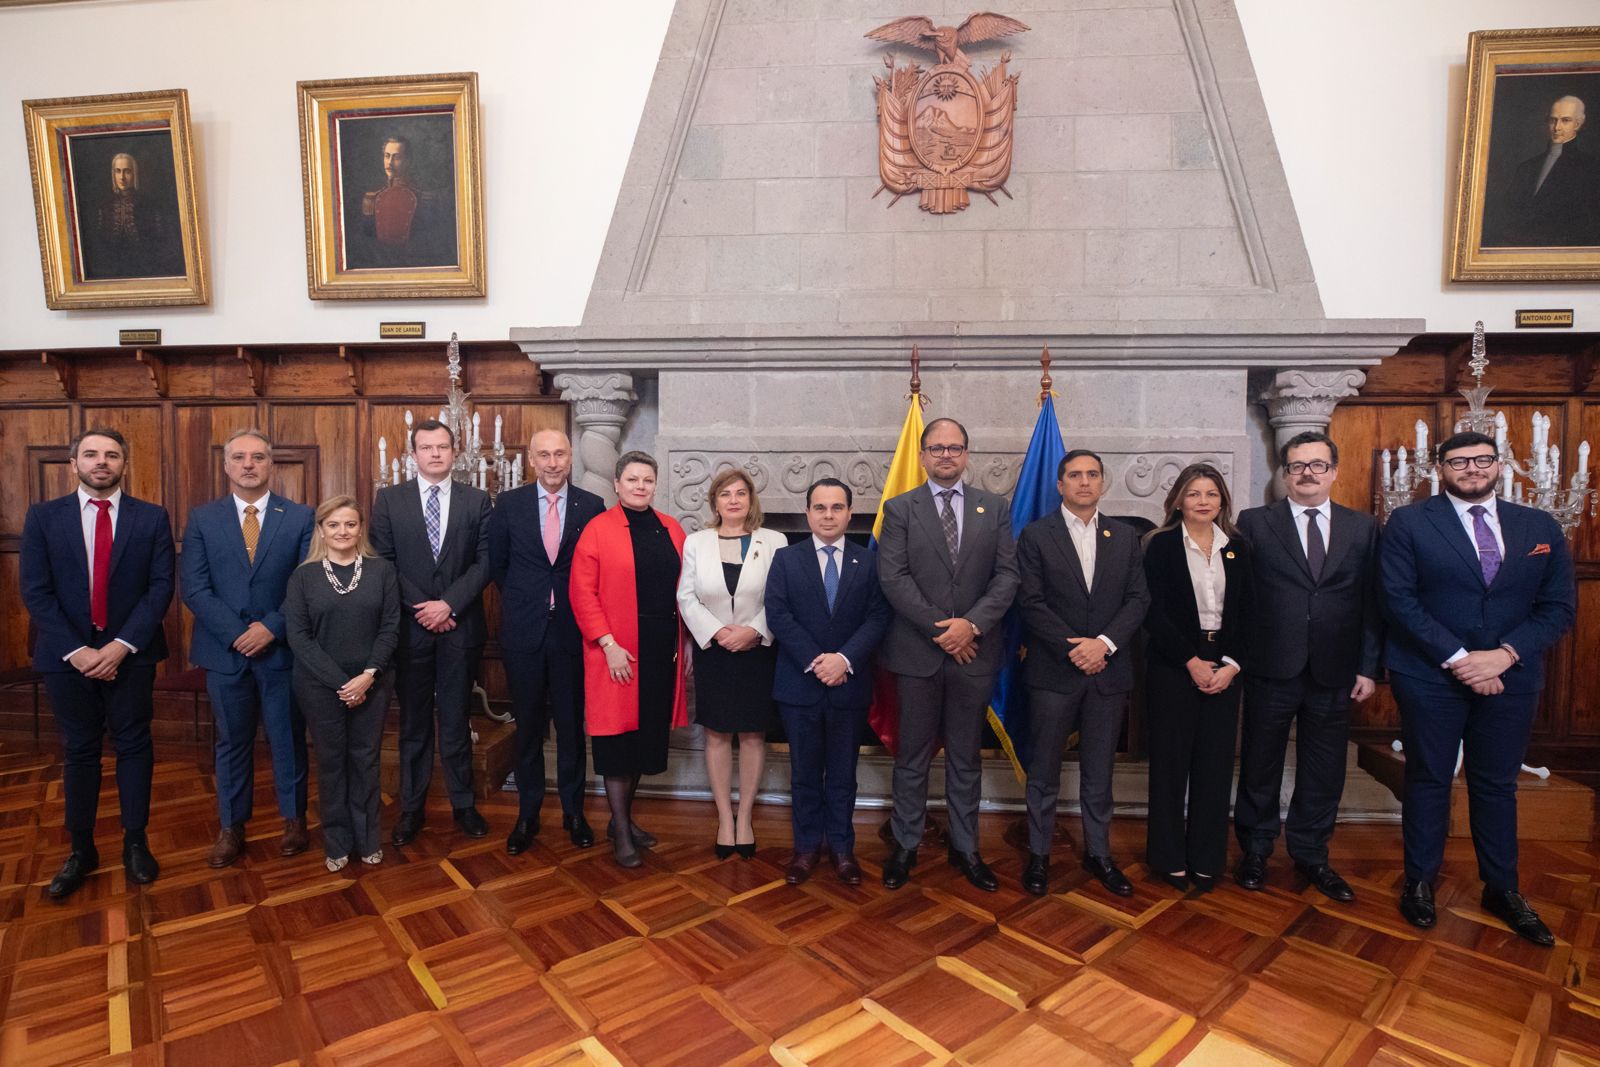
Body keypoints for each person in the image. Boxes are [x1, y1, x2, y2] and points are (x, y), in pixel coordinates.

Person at [1382, 431, 1576, 945]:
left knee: (1496, 784)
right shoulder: (1408, 522)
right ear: (1439, 468)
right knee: (1428, 778)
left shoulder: (1539, 526)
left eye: (1482, 459)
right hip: (1429, 674)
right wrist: (1462, 660)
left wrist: (1503, 656)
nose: (1472, 468)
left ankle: (1502, 889)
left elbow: (1559, 607)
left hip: (1512, 675)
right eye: (1459, 461)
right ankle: (1419, 883)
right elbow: (1398, 600)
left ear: (1500, 464)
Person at [21, 427, 175, 900]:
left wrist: (121, 645)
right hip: (66, 657)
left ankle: (135, 842)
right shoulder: (44, 517)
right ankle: (81, 850)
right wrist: (79, 651)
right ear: (74, 464)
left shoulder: (151, 517)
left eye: (111, 455)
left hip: (131, 655)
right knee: (80, 750)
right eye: (91, 454)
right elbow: (36, 591)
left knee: (134, 745)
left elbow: (160, 588)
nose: (101, 462)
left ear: (124, 464)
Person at [1232, 431, 1381, 902]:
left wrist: (1368, 667)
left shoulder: (1363, 527)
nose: (1307, 474)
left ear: (1334, 471)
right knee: (1260, 763)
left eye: (1318, 465)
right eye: (1297, 466)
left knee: (1324, 768)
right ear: (1284, 474)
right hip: (1270, 665)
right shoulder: (1254, 523)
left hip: (1336, 671)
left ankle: (1312, 854)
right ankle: (1255, 851)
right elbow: (1240, 598)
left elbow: (1373, 603)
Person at [877, 417, 1019, 892]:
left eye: (954, 447)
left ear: (966, 454)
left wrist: (970, 626)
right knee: (912, 757)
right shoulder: (900, 508)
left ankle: (966, 847)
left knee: (965, 758)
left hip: (974, 654)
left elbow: (1007, 576)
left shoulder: (994, 508)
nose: (945, 455)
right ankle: (905, 845)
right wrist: (945, 630)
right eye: (936, 448)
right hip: (917, 654)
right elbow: (893, 578)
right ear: (922, 456)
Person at [1014, 450, 1150, 897]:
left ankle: (1099, 853)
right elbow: (1030, 602)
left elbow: (1138, 599)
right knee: (1043, 770)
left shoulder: (1125, 536)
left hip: (1107, 672)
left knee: (1099, 771)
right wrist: (1075, 648)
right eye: (1075, 475)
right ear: (1060, 485)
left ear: (1102, 483)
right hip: (1054, 672)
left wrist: (1104, 644)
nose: (1085, 482)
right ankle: (1039, 854)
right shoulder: (1036, 535)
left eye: (1092, 474)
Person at [181, 429, 315, 868]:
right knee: (231, 742)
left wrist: (271, 628)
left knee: (287, 739)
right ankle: (231, 827)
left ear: (271, 464)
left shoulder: (299, 517)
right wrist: (238, 634)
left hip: (281, 651)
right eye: (239, 457)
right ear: (226, 466)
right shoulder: (203, 519)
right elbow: (194, 588)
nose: (248, 465)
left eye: (258, 457)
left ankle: (294, 820)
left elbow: (306, 583)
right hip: (225, 653)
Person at [371, 419, 493, 846]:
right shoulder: (390, 500)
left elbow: (485, 561)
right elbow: (383, 561)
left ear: (455, 452)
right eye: (427, 447)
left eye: (442, 446)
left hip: (460, 627)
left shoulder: (477, 500)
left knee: (457, 719)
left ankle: (464, 805)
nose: (435, 454)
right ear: (413, 454)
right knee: (414, 723)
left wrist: (449, 604)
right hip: (410, 630)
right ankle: (411, 808)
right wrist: (424, 608)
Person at [765, 479, 892, 884]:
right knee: (804, 773)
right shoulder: (786, 559)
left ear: (850, 514)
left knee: (842, 774)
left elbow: (878, 617)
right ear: (807, 513)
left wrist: (844, 660)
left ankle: (841, 848)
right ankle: (805, 849)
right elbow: (777, 614)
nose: (828, 515)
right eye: (820, 507)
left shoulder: (867, 561)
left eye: (837, 507)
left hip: (848, 685)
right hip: (799, 685)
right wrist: (816, 660)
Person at [487, 429, 606, 853]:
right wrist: (531, 601)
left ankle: (574, 813)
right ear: (532, 461)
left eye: (559, 454)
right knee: (528, 728)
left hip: (573, 632)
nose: (552, 463)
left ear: (571, 458)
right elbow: (498, 565)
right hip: (524, 632)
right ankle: (528, 814)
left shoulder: (592, 506)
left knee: (572, 727)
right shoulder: (509, 504)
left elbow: (597, 569)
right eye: (544, 455)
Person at [570, 451, 689, 868]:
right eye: (632, 479)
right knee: (617, 741)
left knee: (643, 738)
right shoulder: (598, 529)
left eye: (647, 480)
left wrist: (687, 644)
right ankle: (621, 830)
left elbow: (686, 591)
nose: (640, 486)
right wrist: (608, 644)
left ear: (655, 485)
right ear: (617, 484)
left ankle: (621, 819)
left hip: (660, 650)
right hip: (616, 652)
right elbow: (582, 592)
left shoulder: (672, 529)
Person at [1141, 462, 1251, 893]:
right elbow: (1153, 611)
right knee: (1170, 765)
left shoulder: (1237, 547)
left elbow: (1250, 611)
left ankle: (1207, 858)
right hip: (1174, 664)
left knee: (1215, 765)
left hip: (1225, 664)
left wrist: (1232, 665)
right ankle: (1167, 857)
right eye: (1194, 493)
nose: (1203, 501)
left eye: (1211, 494)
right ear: (1178, 501)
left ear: (1222, 501)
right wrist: (1190, 660)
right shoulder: (1159, 545)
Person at [284, 497, 400, 872]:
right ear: (321, 530)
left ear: (360, 528)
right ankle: (337, 842)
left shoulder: (382, 571)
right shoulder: (303, 577)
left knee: (365, 760)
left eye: (350, 524)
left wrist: (367, 677)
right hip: (319, 685)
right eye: (333, 525)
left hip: (373, 682)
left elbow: (390, 628)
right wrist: (343, 684)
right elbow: (299, 637)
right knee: (332, 763)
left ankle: (368, 840)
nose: (342, 532)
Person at [677, 469, 786, 860]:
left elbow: (781, 595)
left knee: (754, 734)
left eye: (741, 493)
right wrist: (718, 632)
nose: (734, 500)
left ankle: (746, 817)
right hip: (715, 650)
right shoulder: (696, 542)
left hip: (758, 650)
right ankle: (725, 817)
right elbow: (686, 597)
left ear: (751, 499)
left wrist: (754, 631)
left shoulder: (775, 541)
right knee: (718, 734)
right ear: (715, 502)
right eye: (726, 494)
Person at [1483, 95, 1600, 248]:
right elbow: (1508, 213)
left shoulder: (1590, 167)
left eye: (1565, 120)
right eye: (1553, 120)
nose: (1557, 127)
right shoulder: (1527, 167)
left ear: (1577, 124)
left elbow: (1588, 223)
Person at [354, 134, 455, 268]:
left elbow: (429, 244)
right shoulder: (371, 198)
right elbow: (367, 240)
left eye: (396, 157)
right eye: (387, 156)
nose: (389, 163)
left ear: (408, 161)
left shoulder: (425, 199)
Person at [85, 151, 183, 279]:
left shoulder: (150, 205)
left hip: (146, 269)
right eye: (118, 171)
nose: (122, 177)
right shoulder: (104, 206)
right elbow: (98, 242)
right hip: (110, 271)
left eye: (127, 171)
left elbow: (161, 241)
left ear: (134, 173)